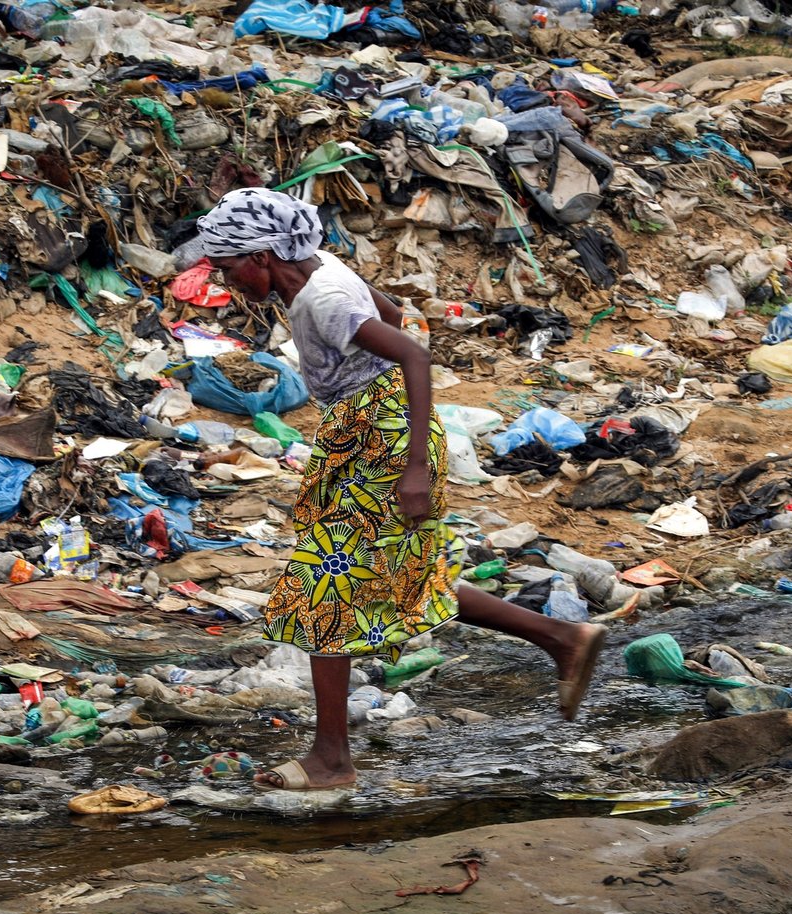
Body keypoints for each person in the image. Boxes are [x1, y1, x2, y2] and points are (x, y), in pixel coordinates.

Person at [196, 188, 606, 792]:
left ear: (261, 255)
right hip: (369, 430)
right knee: (400, 576)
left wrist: (414, 466)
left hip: (384, 444)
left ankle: (331, 759)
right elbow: (387, 313)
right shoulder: (320, 267)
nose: (230, 283)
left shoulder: (325, 299)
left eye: (230, 270)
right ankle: (563, 638)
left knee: (325, 589)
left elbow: (412, 352)